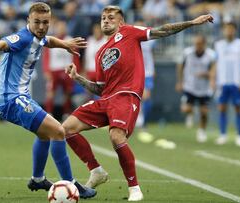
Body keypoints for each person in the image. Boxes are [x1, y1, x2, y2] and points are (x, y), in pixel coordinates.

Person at [62, 5, 213, 201]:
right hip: (106, 99)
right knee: (66, 128)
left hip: (126, 95)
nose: (106, 20)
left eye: (111, 17)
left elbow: (163, 30)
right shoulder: (100, 53)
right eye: (103, 18)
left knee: (116, 136)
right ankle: (96, 170)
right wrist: (77, 78)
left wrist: (192, 23)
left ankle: (134, 188)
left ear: (121, 22)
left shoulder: (129, 32)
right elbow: (99, 88)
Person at [0, 2, 96, 199]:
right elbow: (3, 43)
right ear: (28, 21)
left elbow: (47, 40)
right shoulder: (23, 37)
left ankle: (38, 179)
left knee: (44, 134)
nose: (41, 27)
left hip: (19, 97)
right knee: (58, 131)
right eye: (37, 22)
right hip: (10, 99)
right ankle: (72, 185)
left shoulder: (38, 36)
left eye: (45, 22)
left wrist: (65, 44)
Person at [212, 22, 240, 147]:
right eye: (226, 29)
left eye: (231, 29)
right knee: (222, 108)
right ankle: (223, 135)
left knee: (238, 108)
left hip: (236, 81)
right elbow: (215, 63)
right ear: (223, 31)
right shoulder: (218, 45)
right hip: (222, 82)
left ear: (235, 30)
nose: (229, 31)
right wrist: (213, 80)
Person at [176, 34, 215, 142]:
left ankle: (202, 131)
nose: (196, 46)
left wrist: (209, 77)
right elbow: (180, 66)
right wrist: (180, 81)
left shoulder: (211, 55)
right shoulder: (187, 53)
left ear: (204, 44)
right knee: (185, 109)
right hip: (190, 86)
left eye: (199, 43)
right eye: (195, 43)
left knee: (204, 112)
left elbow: (213, 70)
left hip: (204, 88)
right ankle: (191, 113)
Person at [42, 20, 79, 119]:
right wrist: (46, 70)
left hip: (67, 70)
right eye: (59, 27)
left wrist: (76, 70)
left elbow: (75, 56)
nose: (61, 29)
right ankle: (49, 113)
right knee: (50, 92)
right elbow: (46, 56)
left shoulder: (70, 40)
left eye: (63, 27)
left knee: (67, 93)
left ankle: (66, 113)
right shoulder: (50, 40)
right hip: (54, 69)